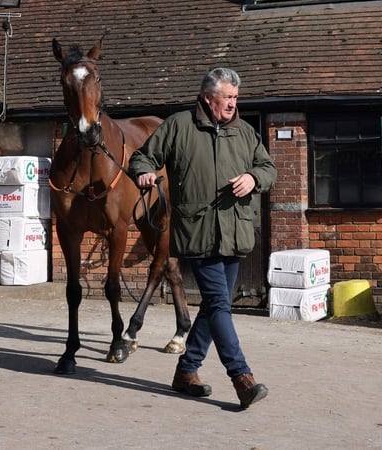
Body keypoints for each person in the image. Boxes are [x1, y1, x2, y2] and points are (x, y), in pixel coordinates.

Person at [128, 68, 277, 409]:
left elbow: (268, 168)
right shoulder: (179, 126)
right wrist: (144, 173)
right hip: (198, 232)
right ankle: (241, 377)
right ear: (209, 98)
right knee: (221, 305)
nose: (233, 104)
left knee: (213, 307)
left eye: (236, 98)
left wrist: (254, 178)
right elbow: (142, 157)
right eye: (228, 97)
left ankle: (186, 370)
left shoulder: (244, 132)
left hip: (235, 232)